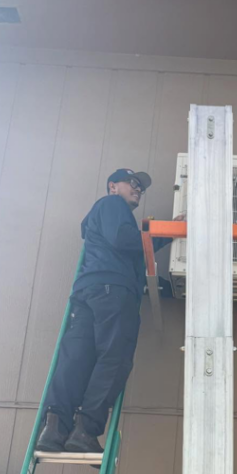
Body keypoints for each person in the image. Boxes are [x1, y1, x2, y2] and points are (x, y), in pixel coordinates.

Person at [37, 168, 165, 455]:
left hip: (89, 293)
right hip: (112, 290)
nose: (137, 189)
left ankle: (54, 429)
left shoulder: (103, 218)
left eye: (140, 187)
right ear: (112, 186)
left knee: (76, 361)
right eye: (132, 183)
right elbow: (126, 240)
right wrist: (165, 232)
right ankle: (85, 430)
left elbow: (122, 247)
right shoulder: (112, 205)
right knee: (114, 358)